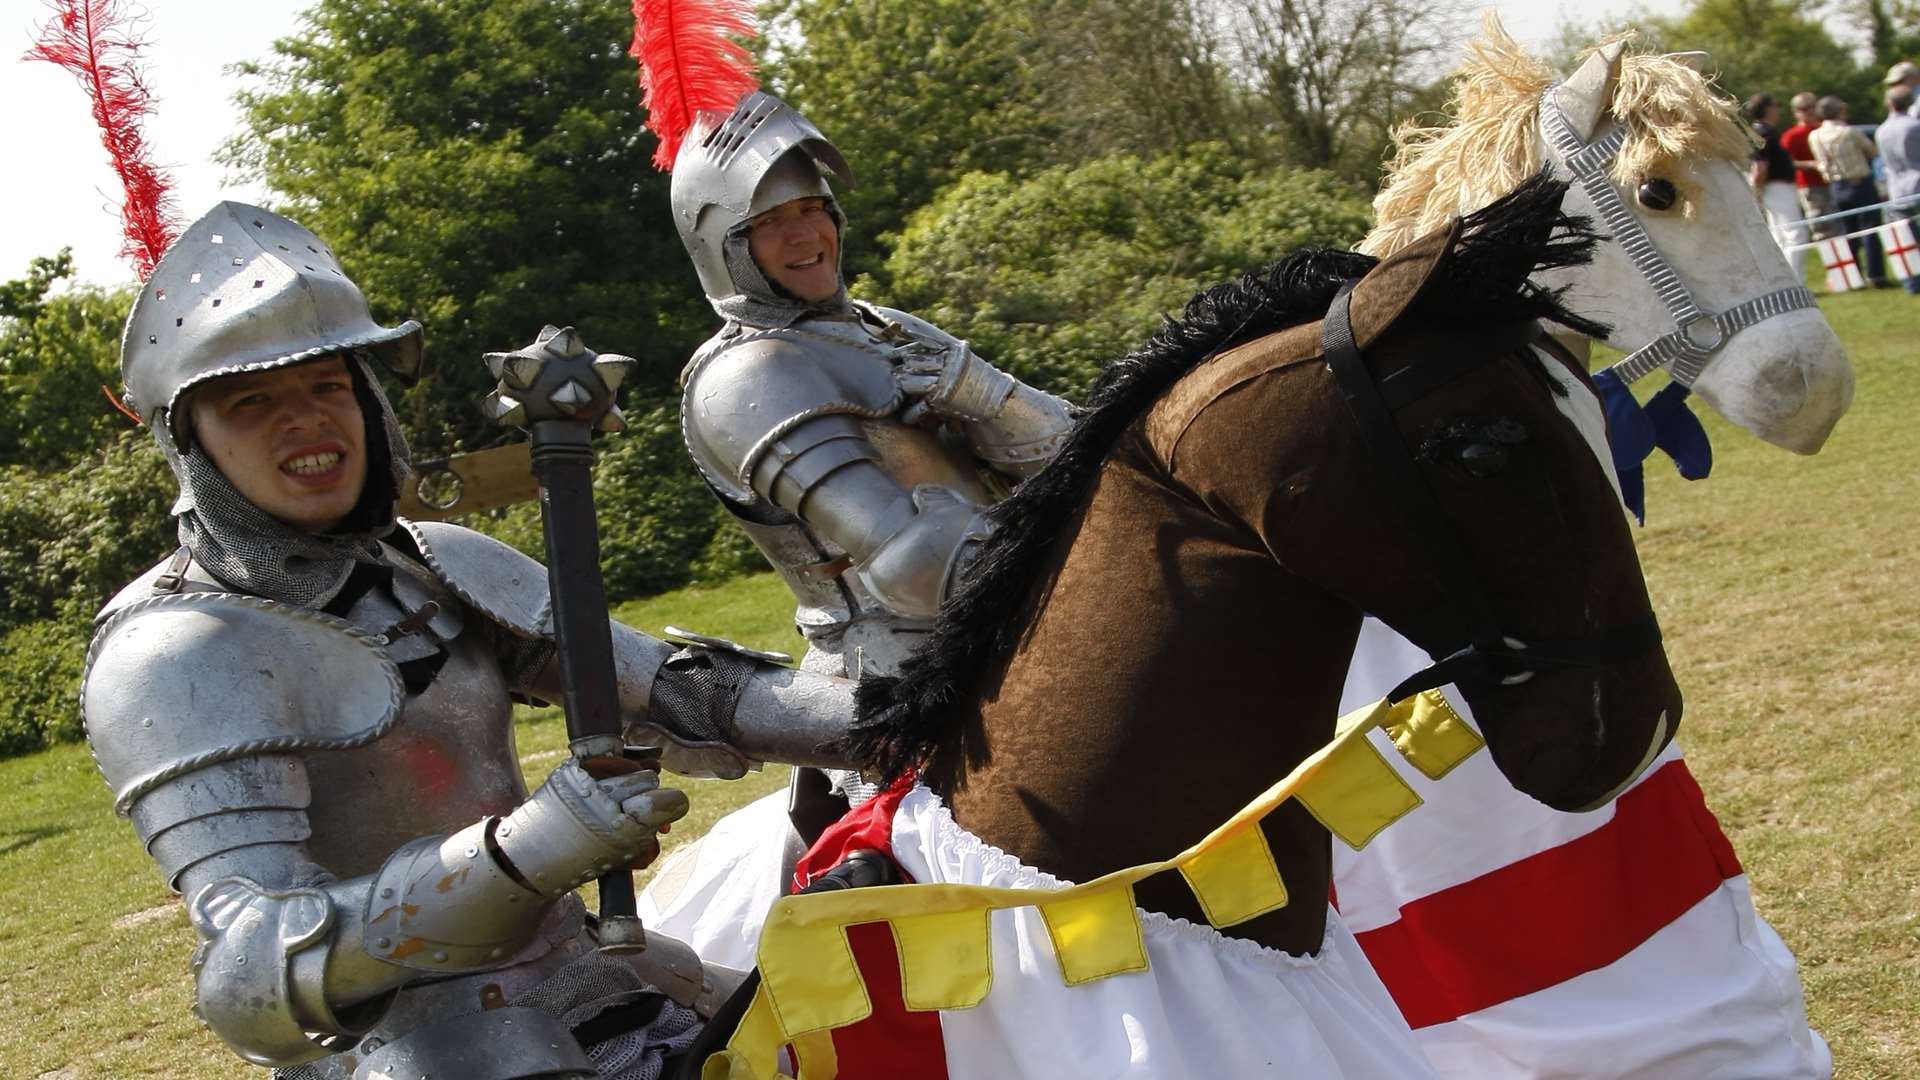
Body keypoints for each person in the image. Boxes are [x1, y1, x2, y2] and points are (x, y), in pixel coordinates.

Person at [81, 203, 861, 1079]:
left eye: (327, 385)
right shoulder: (177, 652)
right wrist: (530, 850)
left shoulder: (433, 562)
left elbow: (683, 691)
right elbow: (251, 970)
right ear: (191, 439)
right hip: (423, 1053)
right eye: (251, 401)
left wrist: (901, 717)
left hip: (609, 983)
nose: (303, 421)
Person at [637, 91, 1075, 968]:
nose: (806, 239)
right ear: (725, 249)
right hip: (893, 693)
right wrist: (1081, 561)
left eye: (813, 211)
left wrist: (978, 391)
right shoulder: (747, 375)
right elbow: (909, 566)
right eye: (773, 226)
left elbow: (1075, 451)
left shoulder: (879, 329)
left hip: (1013, 645)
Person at [1810, 94, 1888, 286]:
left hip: (1836, 186)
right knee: (1870, 229)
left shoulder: (1815, 135)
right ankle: (1876, 275)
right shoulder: (1849, 132)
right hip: (1859, 182)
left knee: (1847, 232)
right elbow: (1872, 151)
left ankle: (1853, 276)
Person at [1747, 93, 1807, 280]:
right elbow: (1760, 165)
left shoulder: (1764, 131)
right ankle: (1795, 280)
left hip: (1775, 188)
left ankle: (1787, 279)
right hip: (1776, 187)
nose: (1778, 109)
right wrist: (1755, 191)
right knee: (1795, 234)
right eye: (1775, 105)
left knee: (1781, 235)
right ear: (1766, 109)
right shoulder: (1763, 133)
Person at [1877, 84, 1920, 293]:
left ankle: (1912, 283)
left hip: (1897, 189)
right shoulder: (1914, 126)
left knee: (1906, 240)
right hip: (1917, 184)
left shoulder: (1881, 130)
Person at [1780, 91, 1836, 242]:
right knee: (1821, 225)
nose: (1809, 111)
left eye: (1812, 107)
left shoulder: (1823, 128)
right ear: (1796, 112)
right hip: (1810, 185)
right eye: (1804, 108)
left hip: (1832, 181)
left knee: (1839, 222)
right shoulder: (1791, 136)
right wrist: (1812, 164)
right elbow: (1787, 162)